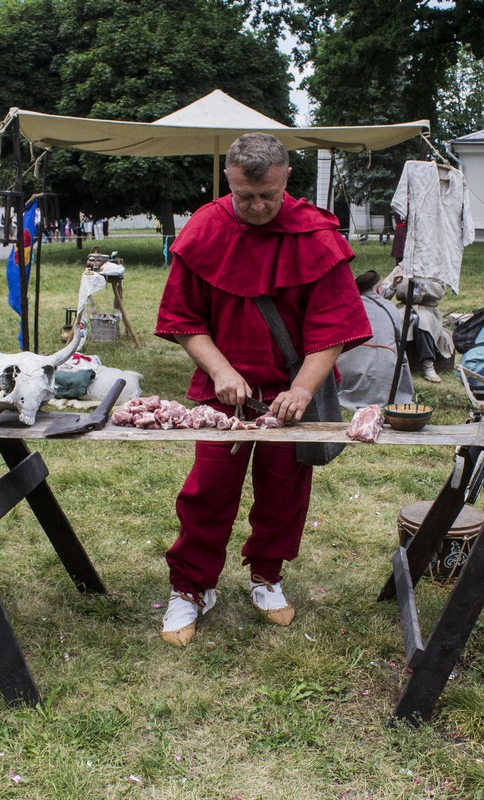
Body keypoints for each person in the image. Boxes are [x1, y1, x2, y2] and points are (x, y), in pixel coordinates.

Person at [154, 133, 370, 647]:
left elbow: (334, 329)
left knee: (284, 493)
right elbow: (184, 320)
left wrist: (300, 389)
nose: (256, 207)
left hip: (289, 394)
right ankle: (191, 587)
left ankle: (267, 577)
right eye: (244, 196)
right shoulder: (205, 228)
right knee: (207, 490)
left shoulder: (315, 236)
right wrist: (221, 370)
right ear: (228, 178)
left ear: (285, 179)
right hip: (222, 393)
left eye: (267, 196)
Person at [336, 270, 414, 409]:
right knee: (399, 350)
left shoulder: (345, 305)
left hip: (347, 373)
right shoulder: (390, 307)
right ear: (378, 289)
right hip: (383, 377)